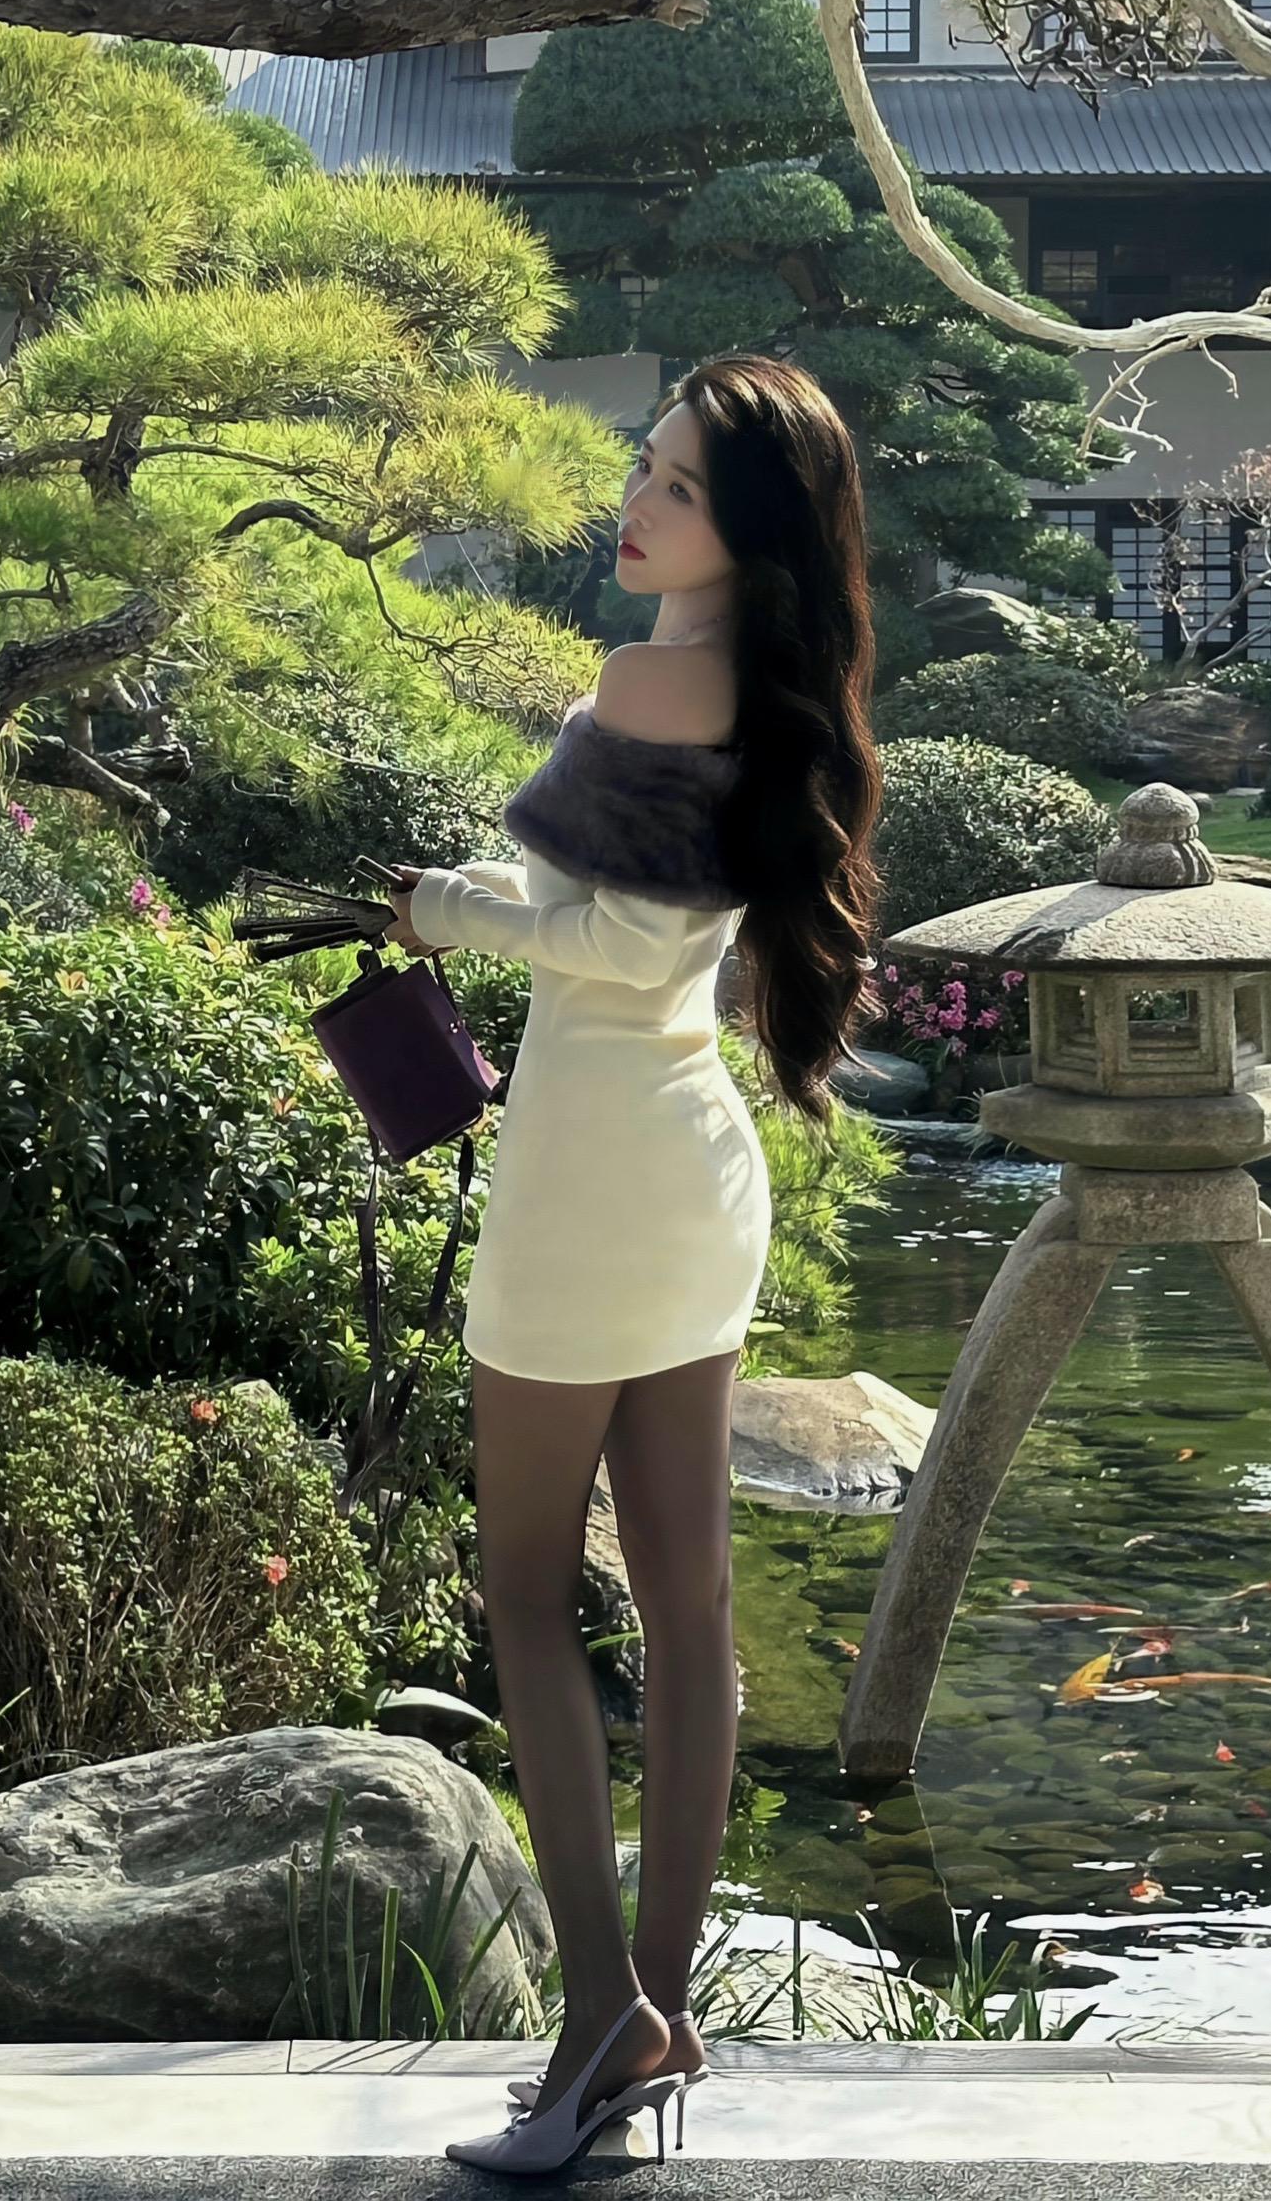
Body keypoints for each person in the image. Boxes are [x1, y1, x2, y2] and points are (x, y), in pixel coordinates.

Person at [384, 352, 883, 2176]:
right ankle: (655, 2014)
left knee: (526, 1590)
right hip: (695, 1168)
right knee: (688, 1607)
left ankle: (597, 2022)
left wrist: (435, 907)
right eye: (643, 465)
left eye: (676, 483)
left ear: (745, 523)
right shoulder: (775, 686)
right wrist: (483, 898)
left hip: (591, 1172)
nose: (638, 500)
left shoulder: (649, 678)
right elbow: (654, 934)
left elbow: (615, 945)